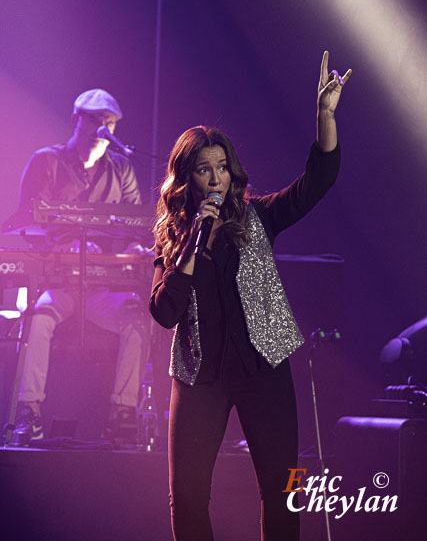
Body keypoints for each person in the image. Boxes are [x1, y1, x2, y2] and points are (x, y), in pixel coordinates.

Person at [149, 52, 351, 540]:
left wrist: (324, 118)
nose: (216, 177)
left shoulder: (258, 217)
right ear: (186, 179)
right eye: (203, 169)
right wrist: (194, 244)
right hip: (201, 378)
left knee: (285, 491)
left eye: (222, 167)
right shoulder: (173, 238)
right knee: (189, 499)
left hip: (265, 369)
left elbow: (316, 183)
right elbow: (164, 310)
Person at [11, 88, 149, 444]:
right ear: (75, 120)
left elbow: (133, 224)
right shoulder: (46, 162)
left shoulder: (122, 169)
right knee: (38, 317)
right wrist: (66, 242)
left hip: (103, 287)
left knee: (137, 318)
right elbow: (26, 223)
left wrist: (136, 247)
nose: (102, 128)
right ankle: (29, 412)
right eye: (94, 120)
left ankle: (123, 413)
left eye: (109, 123)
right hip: (58, 283)